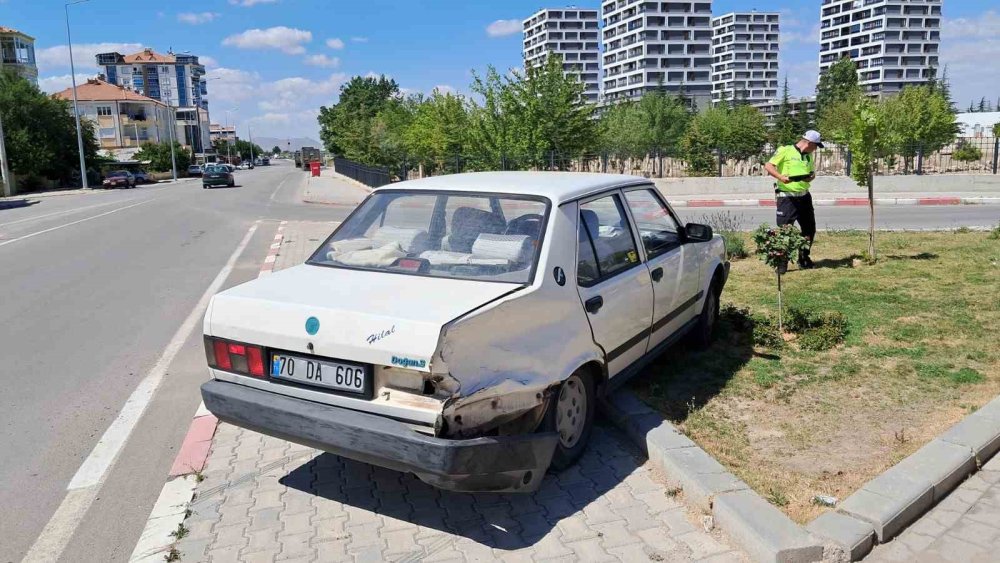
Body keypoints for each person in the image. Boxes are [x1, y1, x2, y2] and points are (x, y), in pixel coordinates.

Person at [764, 130, 824, 269]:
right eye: (815, 146)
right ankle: (781, 262)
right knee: (785, 231)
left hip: (804, 197)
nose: (815, 149)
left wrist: (811, 176)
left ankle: (804, 259)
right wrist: (780, 177)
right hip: (787, 198)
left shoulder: (808, 156)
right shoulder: (785, 150)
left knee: (809, 229)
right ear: (808, 143)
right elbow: (768, 165)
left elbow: (812, 172)